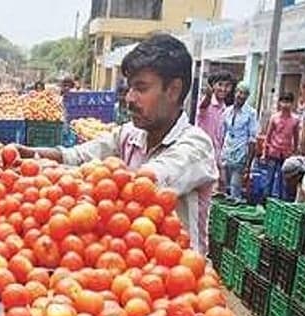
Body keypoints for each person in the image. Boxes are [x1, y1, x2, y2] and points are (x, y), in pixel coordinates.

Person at [12, 33, 217, 253]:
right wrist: (28, 154)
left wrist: (68, 181)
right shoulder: (130, 134)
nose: (129, 98)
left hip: (178, 276)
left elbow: (147, 183)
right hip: (130, 266)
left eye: (141, 88)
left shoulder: (196, 146)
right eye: (129, 88)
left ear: (173, 90)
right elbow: (76, 156)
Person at [220, 82, 259, 200]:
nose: (241, 96)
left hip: (240, 154)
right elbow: (223, 133)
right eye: (239, 92)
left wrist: (248, 163)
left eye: (245, 94)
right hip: (226, 153)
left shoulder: (251, 113)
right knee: (224, 188)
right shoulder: (227, 111)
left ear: (247, 97)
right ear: (235, 92)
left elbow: (252, 139)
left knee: (235, 188)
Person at [196, 71, 233, 189]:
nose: (223, 89)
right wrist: (208, 95)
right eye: (220, 85)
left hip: (216, 157)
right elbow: (204, 104)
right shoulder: (207, 103)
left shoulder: (225, 109)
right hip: (201, 154)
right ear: (213, 86)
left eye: (227, 86)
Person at [261, 93, 301, 200]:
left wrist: (296, 153)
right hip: (273, 152)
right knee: (269, 179)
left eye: (288, 102)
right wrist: (264, 153)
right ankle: (264, 202)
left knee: (284, 181)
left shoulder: (295, 120)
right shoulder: (274, 118)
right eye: (283, 102)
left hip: (286, 154)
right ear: (279, 103)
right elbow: (268, 136)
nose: (285, 105)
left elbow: (296, 137)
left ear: (292, 104)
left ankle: (282, 203)